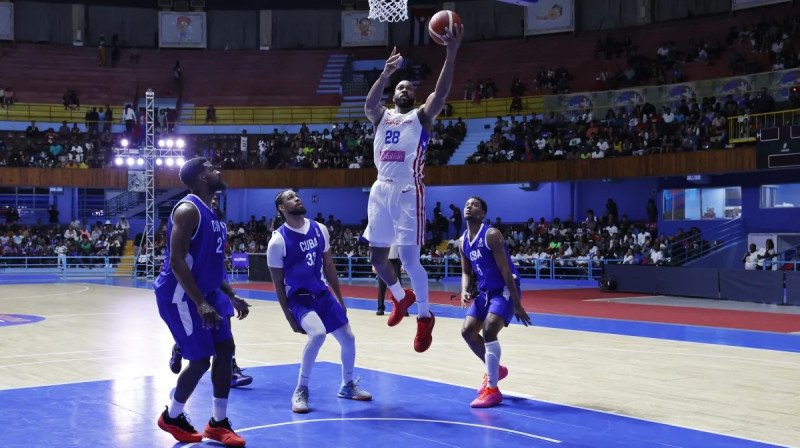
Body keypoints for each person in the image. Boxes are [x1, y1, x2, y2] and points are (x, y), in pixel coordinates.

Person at [363, 21, 463, 353]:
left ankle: (423, 317)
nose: (404, 90)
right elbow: (368, 104)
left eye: (409, 87)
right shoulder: (381, 115)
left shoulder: (421, 117)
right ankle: (400, 296)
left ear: (414, 96)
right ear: (394, 93)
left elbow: (443, 93)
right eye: (400, 87)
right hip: (380, 189)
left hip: (408, 189)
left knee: (408, 259)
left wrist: (451, 52)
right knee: (377, 260)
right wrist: (386, 74)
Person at [154, 158, 248, 447]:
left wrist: (230, 294)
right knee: (200, 360)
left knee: (226, 348)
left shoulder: (214, 214)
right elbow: (176, 260)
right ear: (201, 178)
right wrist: (200, 303)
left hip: (205, 292)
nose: (218, 170)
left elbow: (212, 264)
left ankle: (218, 424)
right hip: (180, 295)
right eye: (210, 168)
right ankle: (172, 416)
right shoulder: (187, 210)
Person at [268, 190, 372, 414]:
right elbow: (277, 284)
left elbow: (329, 266)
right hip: (299, 298)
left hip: (322, 294)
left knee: (349, 339)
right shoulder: (278, 241)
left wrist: (341, 299)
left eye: (296, 195)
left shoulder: (319, 229)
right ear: (281, 208)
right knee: (317, 334)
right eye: (290, 198)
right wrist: (289, 317)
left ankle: (347, 385)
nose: (296, 198)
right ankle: (301, 389)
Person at [169, 195, 253, 388]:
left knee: (225, 327)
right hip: (196, 282)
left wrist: (230, 293)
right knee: (200, 329)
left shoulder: (220, 226)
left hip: (218, 281)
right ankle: (180, 347)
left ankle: (231, 369)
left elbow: (218, 257)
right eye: (210, 198)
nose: (213, 201)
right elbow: (179, 257)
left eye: (216, 199)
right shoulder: (191, 218)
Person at [458, 196, 531, 408]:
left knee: (489, 329)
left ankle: (492, 389)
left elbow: (506, 269)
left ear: (482, 214)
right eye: (467, 204)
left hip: (505, 290)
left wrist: (517, 303)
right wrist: (464, 290)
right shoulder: (463, 242)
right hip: (485, 292)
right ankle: (496, 369)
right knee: (468, 331)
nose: (469, 206)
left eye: (475, 205)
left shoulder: (491, 235)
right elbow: (466, 272)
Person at [374, 245, 404, 316]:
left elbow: (402, 250)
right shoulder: (381, 237)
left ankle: (402, 308)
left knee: (398, 286)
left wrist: (403, 264)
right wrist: (374, 265)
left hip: (395, 261)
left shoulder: (397, 235)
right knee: (381, 286)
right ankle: (380, 308)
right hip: (382, 261)